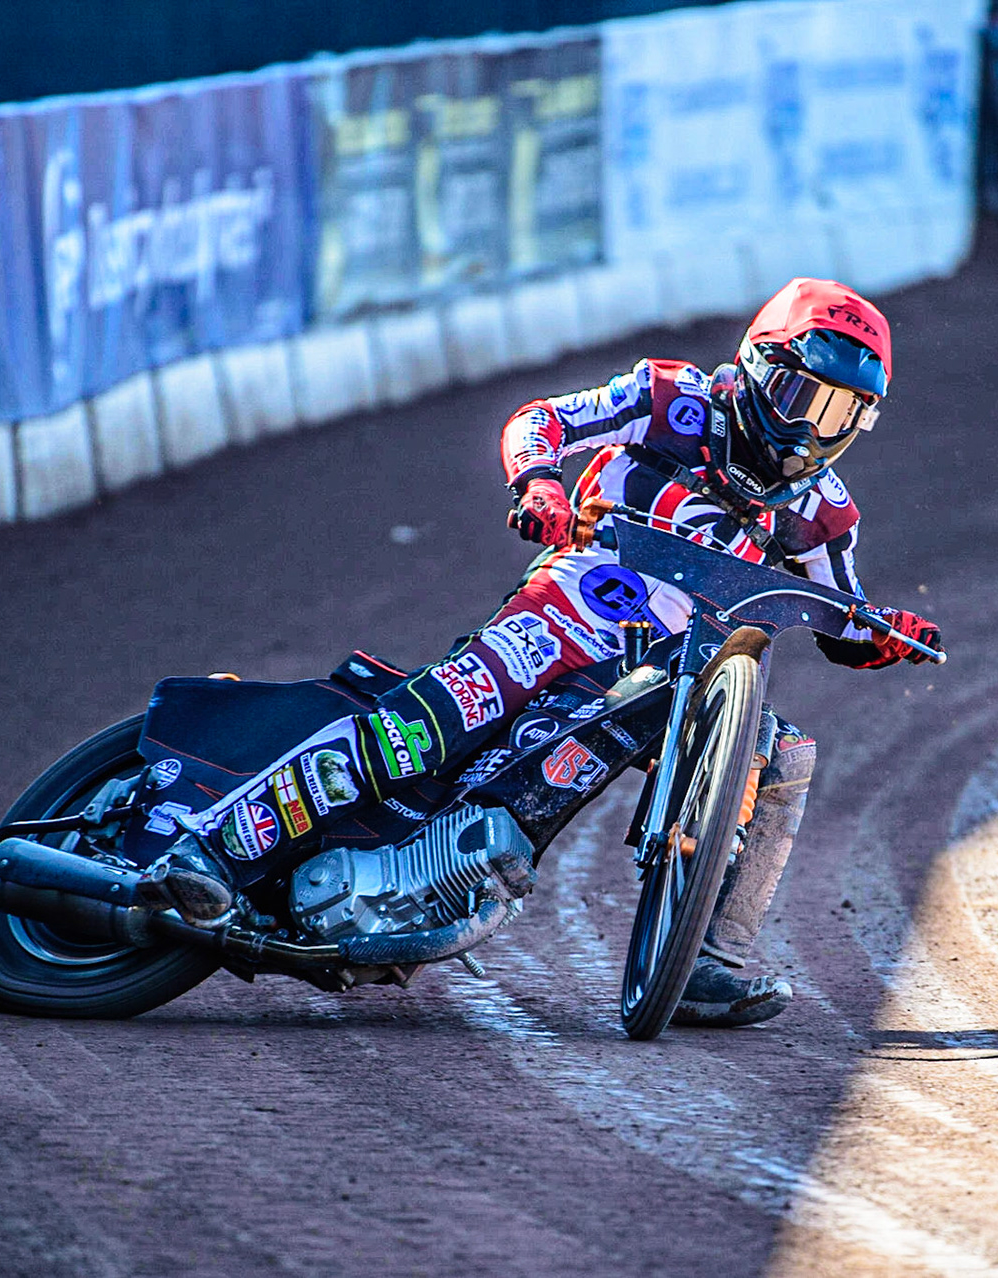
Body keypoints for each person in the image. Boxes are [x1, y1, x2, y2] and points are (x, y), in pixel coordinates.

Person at [147, 278, 943, 1028]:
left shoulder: (826, 513)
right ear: (759, 369)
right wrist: (539, 484)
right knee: (425, 728)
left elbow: (844, 616)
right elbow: (542, 423)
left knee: (785, 756)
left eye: (843, 415)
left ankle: (708, 957)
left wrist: (886, 634)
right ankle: (211, 851)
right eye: (806, 397)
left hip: (678, 669)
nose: (814, 428)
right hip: (568, 607)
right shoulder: (674, 399)